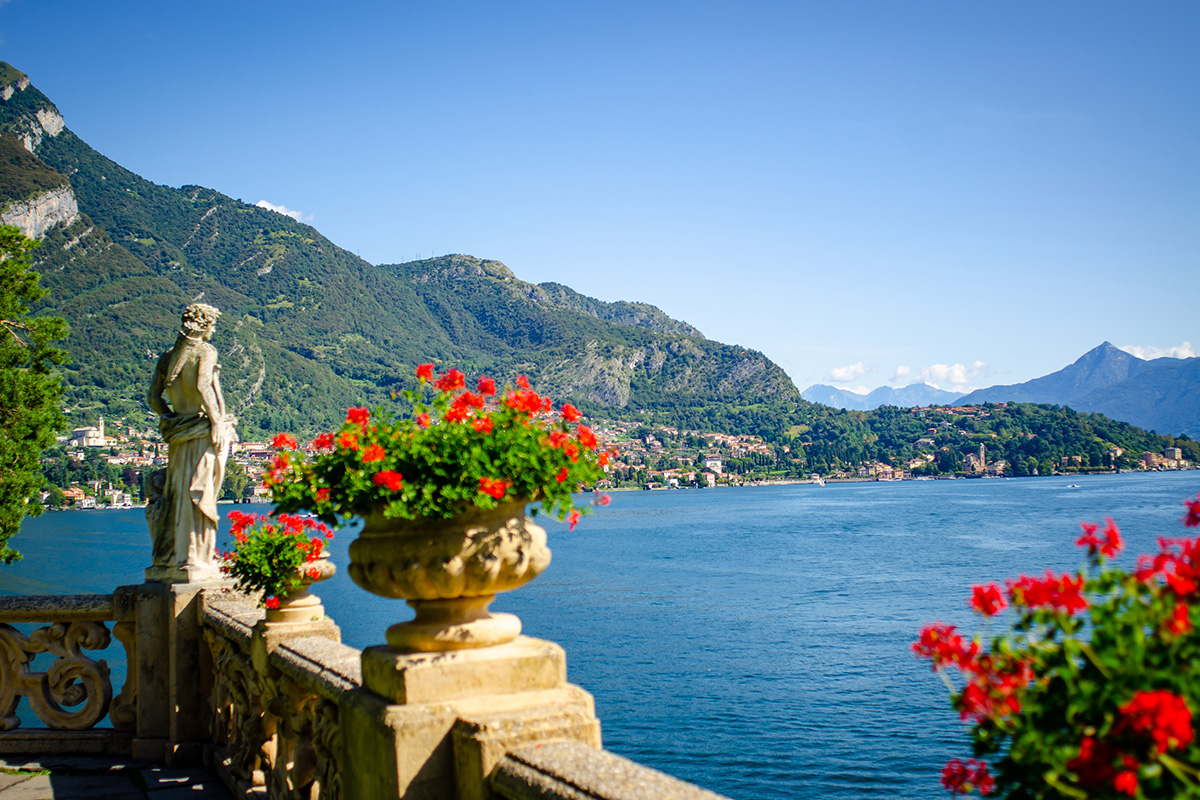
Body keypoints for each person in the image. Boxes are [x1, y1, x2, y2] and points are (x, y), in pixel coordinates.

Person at [145, 303, 238, 582]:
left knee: (179, 493)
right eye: (213, 323)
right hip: (201, 433)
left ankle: (174, 557)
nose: (214, 329)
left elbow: (153, 398)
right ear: (206, 324)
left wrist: (171, 419)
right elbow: (202, 386)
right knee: (200, 491)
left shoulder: (167, 358)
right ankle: (197, 557)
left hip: (179, 434)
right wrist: (217, 421)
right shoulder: (205, 351)